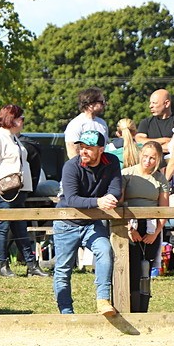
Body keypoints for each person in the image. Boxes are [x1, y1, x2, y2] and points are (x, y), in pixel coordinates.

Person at [53, 129, 122, 316]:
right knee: (63, 269)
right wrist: (99, 202)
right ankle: (66, 312)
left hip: (93, 221)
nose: (83, 151)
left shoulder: (112, 162)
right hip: (66, 223)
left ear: (101, 149)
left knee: (105, 250)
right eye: (81, 147)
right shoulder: (71, 166)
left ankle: (103, 300)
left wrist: (110, 198)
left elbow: (116, 188)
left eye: (88, 148)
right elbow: (72, 199)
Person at [0, 104, 47, 278]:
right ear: (11, 119)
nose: (23, 121)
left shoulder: (12, 137)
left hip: (17, 191)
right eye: (20, 118)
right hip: (2, 191)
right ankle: (2, 265)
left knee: (20, 228)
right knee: (2, 227)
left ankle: (31, 265)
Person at [122, 141, 169, 313]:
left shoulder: (161, 179)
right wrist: (129, 229)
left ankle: (143, 310)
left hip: (150, 227)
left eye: (152, 158)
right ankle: (129, 308)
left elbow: (164, 209)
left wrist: (156, 233)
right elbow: (120, 204)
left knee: (145, 270)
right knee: (131, 268)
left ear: (157, 160)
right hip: (129, 225)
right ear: (140, 155)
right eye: (146, 156)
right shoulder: (127, 174)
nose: (148, 161)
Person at [63, 87, 109, 159]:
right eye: (101, 102)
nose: (104, 104)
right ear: (90, 103)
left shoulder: (102, 123)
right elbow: (73, 153)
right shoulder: (76, 124)